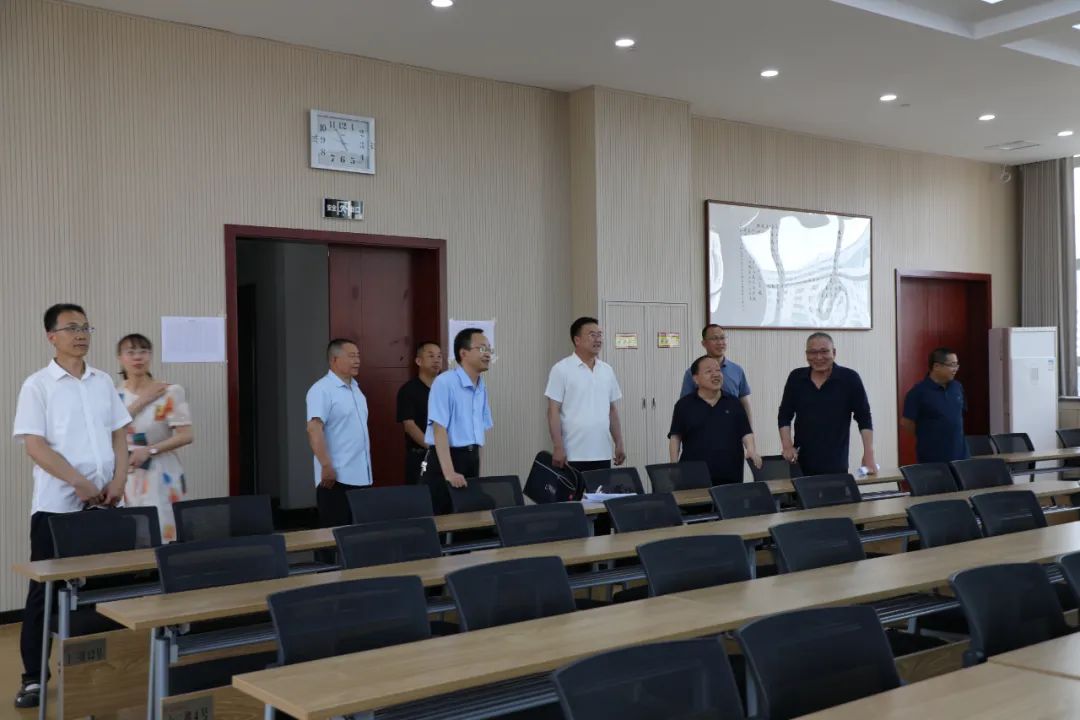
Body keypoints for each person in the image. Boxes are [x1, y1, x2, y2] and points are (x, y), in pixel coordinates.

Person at [12, 303, 131, 709]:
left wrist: (119, 479)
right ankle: (33, 678)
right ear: (52, 336)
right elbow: (35, 445)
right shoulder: (38, 385)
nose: (81, 334)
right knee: (44, 594)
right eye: (71, 328)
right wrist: (78, 482)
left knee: (102, 590)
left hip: (105, 504)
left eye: (85, 327)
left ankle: (99, 672)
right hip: (57, 509)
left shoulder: (102, 382)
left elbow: (119, 435)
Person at [116, 333, 194, 542]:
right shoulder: (114, 395)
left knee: (164, 530)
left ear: (150, 356)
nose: (137, 357)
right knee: (131, 534)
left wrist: (150, 450)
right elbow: (110, 432)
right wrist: (142, 400)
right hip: (127, 472)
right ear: (120, 358)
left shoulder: (170, 392)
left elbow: (186, 435)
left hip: (161, 470)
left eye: (143, 351)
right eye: (131, 352)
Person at [778, 332, 876, 477]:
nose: (818, 357)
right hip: (800, 464)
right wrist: (787, 445)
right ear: (806, 354)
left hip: (836, 464)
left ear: (834, 353)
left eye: (824, 351)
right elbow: (784, 415)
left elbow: (864, 418)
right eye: (813, 352)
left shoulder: (849, 379)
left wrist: (869, 453)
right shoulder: (796, 378)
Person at [421, 327, 493, 514]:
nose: (487, 354)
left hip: (471, 456)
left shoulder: (481, 386)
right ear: (463, 353)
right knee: (443, 518)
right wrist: (449, 473)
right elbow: (439, 429)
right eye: (482, 349)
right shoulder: (445, 382)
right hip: (446, 459)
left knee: (470, 517)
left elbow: (479, 433)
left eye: (489, 349)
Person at [305, 339, 372, 530]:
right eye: (351, 356)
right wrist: (326, 465)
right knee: (334, 534)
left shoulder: (356, 390)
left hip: (362, 476)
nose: (357, 361)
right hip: (336, 478)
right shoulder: (322, 390)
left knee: (359, 534)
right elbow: (314, 429)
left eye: (358, 356)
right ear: (334, 360)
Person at [544, 317, 626, 473]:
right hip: (573, 454)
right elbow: (553, 411)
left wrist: (619, 443)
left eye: (600, 335)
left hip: (602, 452)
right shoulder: (561, 369)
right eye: (592, 335)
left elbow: (612, 410)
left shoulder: (607, 370)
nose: (598, 339)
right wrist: (558, 446)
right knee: (575, 490)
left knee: (601, 490)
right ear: (577, 340)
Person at [669, 355, 761, 484]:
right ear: (696, 379)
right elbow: (675, 437)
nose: (715, 374)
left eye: (718, 370)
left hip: (729, 473)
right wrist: (674, 465)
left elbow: (746, 432)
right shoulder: (684, 405)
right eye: (708, 371)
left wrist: (751, 449)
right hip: (693, 474)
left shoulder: (734, 403)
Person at [900, 347, 969, 463]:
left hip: (961, 455)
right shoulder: (918, 392)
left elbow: (959, 414)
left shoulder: (957, 387)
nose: (955, 369)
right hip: (932, 458)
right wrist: (928, 434)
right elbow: (906, 423)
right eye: (952, 365)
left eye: (957, 365)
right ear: (936, 366)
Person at [679, 324, 753, 424]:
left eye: (722, 338)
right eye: (714, 338)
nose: (720, 342)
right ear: (704, 343)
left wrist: (749, 429)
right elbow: (685, 406)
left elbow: (745, 402)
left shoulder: (737, 370)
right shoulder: (693, 372)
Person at [396, 341, 443, 485]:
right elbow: (409, 426)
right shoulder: (409, 390)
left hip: (447, 454)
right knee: (421, 494)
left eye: (439, 356)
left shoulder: (446, 389)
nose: (436, 360)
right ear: (418, 361)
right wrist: (433, 447)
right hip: (422, 455)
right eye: (431, 356)